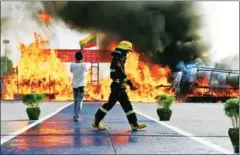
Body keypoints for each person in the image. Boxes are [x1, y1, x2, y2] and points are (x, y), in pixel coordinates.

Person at [92, 40, 147, 131]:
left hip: (120, 87)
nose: (128, 54)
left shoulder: (119, 59)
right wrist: (130, 84)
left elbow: (119, 74)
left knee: (127, 106)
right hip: (117, 87)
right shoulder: (118, 60)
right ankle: (96, 122)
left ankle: (134, 124)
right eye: (127, 51)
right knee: (109, 105)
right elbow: (121, 75)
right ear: (124, 50)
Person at [70, 51, 87, 121]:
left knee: (75, 101)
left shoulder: (72, 65)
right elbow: (86, 70)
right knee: (80, 101)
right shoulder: (84, 65)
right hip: (82, 86)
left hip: (74, 85)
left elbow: (71, 71)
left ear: (75, 57)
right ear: (82, 57)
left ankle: (75, 115)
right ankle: (77, 116)